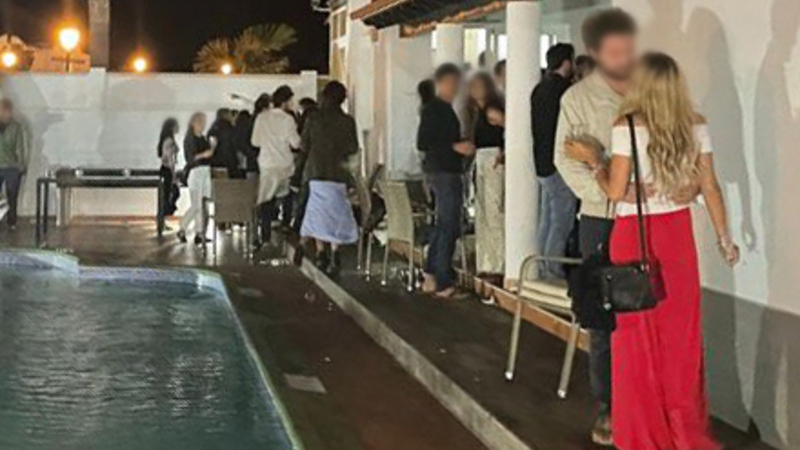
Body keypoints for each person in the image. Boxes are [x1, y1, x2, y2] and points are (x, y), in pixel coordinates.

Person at [565, 52, 739, 450]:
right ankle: (684, 433)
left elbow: (614, 191)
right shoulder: (695, 125)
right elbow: (710, 186)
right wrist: (724, 239)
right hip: (677, 236)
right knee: (681, 339)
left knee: (636, 339)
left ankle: (643, 433)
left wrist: (595, 162)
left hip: (634, 237)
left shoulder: (627, 126)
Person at [553, 8, 638, 445]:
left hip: (646, 216)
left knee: (643, 310)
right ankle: (609, 403)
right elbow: (565, 160)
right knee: (602, 317)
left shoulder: (647, 90)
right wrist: (608, 191)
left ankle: (643, 399)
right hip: (600, 219)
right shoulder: (578, 99)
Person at [418, 63, 476, 299]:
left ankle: (432, 273)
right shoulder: (434, 109)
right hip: (444, 171)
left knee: (445, 223)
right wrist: (455, 147)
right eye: (451, 83)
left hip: (445, 170)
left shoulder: (444, 109)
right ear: (440, 83)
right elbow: (424, 142)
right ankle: (443, 279)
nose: (455, 87)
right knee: (449, 224)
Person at [299, 81, 360, 277]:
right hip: (338, 174)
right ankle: (335, 253)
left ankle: (320, 252)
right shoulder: (347, 121)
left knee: (318, 213)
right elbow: (352, 148)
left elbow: (304, 146)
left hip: (316, 172)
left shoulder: (314, 119)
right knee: (336, 213)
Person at [531, 43, 577, 279]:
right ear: (567, 63)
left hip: (541, 161)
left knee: (547, 218)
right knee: (561, 219)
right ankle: (553, 270)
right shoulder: (565, 92)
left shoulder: (539, 89)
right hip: (559, 163)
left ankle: (541, 267)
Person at [466, 72, 506, 278]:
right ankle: (486, 261)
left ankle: (497, 263)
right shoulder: (478, 112)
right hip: (482, 159)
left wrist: (504, 151)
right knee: (483, 213)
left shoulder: (492, 110)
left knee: (493, 212)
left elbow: (510, 127)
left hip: (491, 160)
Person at [250, 85, 301, 247]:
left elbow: (255, 142)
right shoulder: (288, 119)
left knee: (266, 200)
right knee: (288, 195)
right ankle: (286, 227)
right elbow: (296, 143)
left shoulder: (261, 117)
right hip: (284, 165)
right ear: (286, 102)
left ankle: (265, 236)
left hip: (266, 164)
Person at [178, 112, 214, 245]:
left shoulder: (203, 138)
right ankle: (183, 227)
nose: (203, 124)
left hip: (205, 171)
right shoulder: (189, 139)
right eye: (201, 122)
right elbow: (190, 158)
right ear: (193, 122)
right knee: (196, 205)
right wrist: (204, 154)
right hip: (195, 172)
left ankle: (199, 232)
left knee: (202, 204)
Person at [291, 97, 320, 232]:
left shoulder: (309, 119)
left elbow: (303, 146)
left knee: (304, 196)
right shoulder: (321, 119)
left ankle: (299, 226)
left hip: (309, 165)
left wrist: (296, 175)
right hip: (322, 166)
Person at [0, 99, 26, 231]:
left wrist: (21, 165)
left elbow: (20, 147)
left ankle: (12, 221)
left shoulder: (16, 127)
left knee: (12, 195)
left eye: (7, 111)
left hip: (11, 166)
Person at [157, 118, 181, 219]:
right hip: (168, 169)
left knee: (166, 195)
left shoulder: (166, 139)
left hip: (165, 169)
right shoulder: (169, 141)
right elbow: (169, 158)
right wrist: (173, 175)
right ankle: (165, 215)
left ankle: (164, 217)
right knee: (170, 194)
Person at [208, 108, 241, 178]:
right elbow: (234, 144)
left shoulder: (212, 128)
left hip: (215, 161)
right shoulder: (229, 128)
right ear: (226, 115)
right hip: (228, 161)